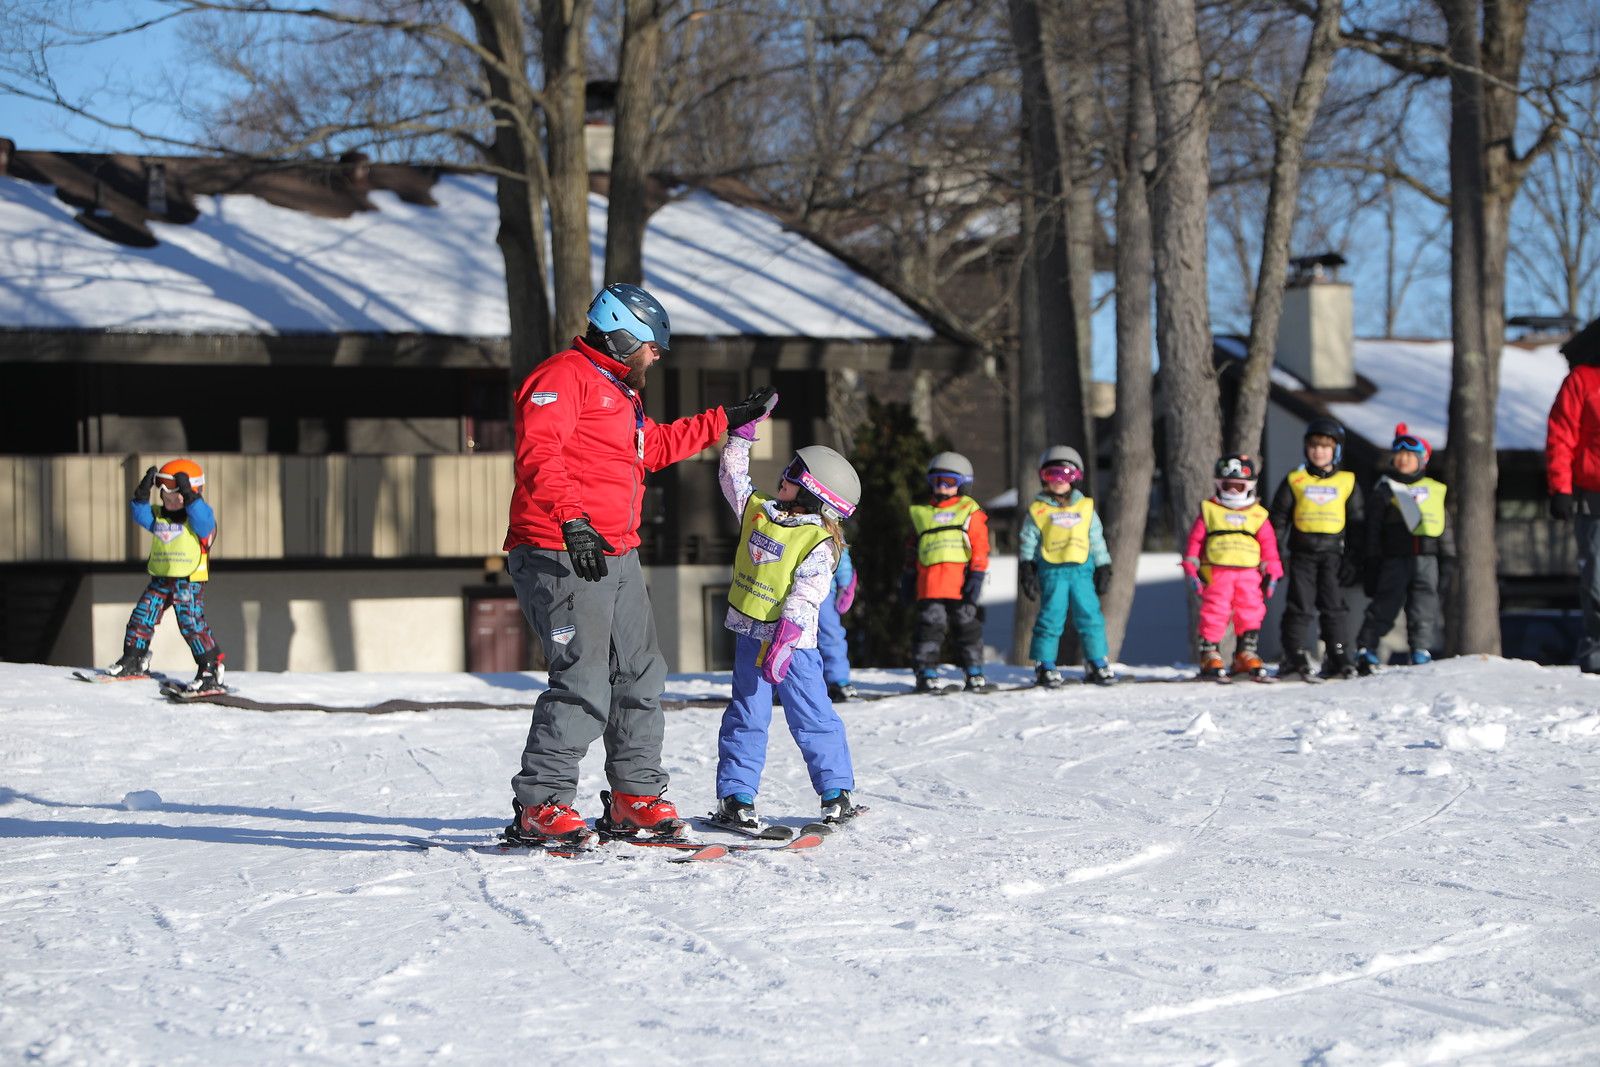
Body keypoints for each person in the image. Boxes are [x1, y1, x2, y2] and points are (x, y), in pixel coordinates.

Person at [502, 282, 779, 844]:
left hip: (616, 550)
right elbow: (539, 452)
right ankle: (541, 804)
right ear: (623, 336)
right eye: (652, 346)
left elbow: (653, 448)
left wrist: (725, 419)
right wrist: (572, 519)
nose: (656, 356)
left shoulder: (616, 390)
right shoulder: (562, 377)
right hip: (560, 548)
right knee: (582, 678)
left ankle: (635, 795)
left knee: (639, 672)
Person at [711, 401, 862, 831]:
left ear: (814, 492)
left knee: (812, 716)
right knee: (746, 715)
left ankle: (836, 792)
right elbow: (732, 478)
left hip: (794, 647)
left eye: (795, 474)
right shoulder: (759, 511)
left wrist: (786, 638)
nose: (784, 475)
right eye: (789, 468)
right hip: (750, 636)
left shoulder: (819, 541)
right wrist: (740, 437)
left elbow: (806, 595)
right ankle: (736, 797)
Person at [104, 458, 227, 692]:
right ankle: (134, 658)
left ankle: (210, 667)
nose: (169, 503)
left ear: (192, 493)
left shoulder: (199, 520)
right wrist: (141, 495)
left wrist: (191, 497)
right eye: (165, 498)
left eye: (176, 498)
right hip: (162, 579)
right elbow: (141, 515)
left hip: (188, 581)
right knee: (142, 616)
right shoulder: (160, 516)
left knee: (191, 623)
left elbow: (203, 520)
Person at [1268, 418, 1365, 680]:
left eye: (1325, 447)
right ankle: (1294, 654)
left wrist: (1354, 558)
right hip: (1302, 554)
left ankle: (1338, 653)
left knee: (1334, 606)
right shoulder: (1296, 480)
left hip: (1334, 555)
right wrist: (1275, 553)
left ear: (1336, 450)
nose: (1318, 452)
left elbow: (1357, 522)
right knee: (1300, 605)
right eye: (1313, 446)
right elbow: (1278, 518)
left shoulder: (1346, 481)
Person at [1354, 424, 1455, 673]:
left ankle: (1420, 649)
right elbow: (1373, 528)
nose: (1403, 459)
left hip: (1427, 559)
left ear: (1422, 460)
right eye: (1399, 454)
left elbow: (1444, 526)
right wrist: (1372, 559)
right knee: (1385, 604)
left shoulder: (1434, 489)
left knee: (1424, 607)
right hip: (1394, 558)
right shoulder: (1386, 489)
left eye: (1410, 455)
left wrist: (1448, 557)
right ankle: (1367, 648)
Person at [1018, 445, 1115, 687]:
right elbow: (1028, 540)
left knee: (1090, 615)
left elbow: (1096, 538)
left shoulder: (1085, 507)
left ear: (1075, 478)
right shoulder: (1039, 510)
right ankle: (1045, 664)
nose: (1059, 481)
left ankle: (1096, 661)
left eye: (1065, 475)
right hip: (1052, 571)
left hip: (1082, 570)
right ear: (1043, 477)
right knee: (1051, 616)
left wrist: (1104, 565)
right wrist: (1027, 566)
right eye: (1052, 475)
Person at [1182, 454, 1283, 681]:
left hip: (1250, 575)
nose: (1234, 491)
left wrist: (1273, 570)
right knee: (1215, 611)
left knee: (1251, 610)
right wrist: (1191, 564)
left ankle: (1245, 652)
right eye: (1229, 486)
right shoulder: (1210, 510)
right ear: (1220, 484)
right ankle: (1209, 653)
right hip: (1217, 573)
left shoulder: (1258, 514)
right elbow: (1196, 540)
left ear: (1249, 486)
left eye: (1239, 486)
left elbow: (1269, 546)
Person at [907, 451, 990, 693]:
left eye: (949, 482)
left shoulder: (969, 511)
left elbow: (980, 545)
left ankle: (974, 671)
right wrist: (908, 575)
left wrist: (977, 574)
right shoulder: (922, 513)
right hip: (930, 585)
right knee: (929, 629)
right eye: (937, 481)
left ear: (963, 484)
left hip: (961, 584)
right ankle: (926, 673)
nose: (942, 487)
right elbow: (912, 547)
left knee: (967, 628)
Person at [1544, 316, 1600, 673]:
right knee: (1597, 580)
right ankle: (1597, 651)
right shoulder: (1582, 380)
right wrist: (1561, 488)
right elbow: (1561, 436)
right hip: (1593, 494)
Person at [819, 546, 859, 702]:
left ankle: (837, 680)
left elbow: (841, 555)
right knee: (790, 639)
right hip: (791, 589)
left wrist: (845, 584)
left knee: (831, 635)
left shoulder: (830, 531)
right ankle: (783, 684)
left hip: (824, 590)